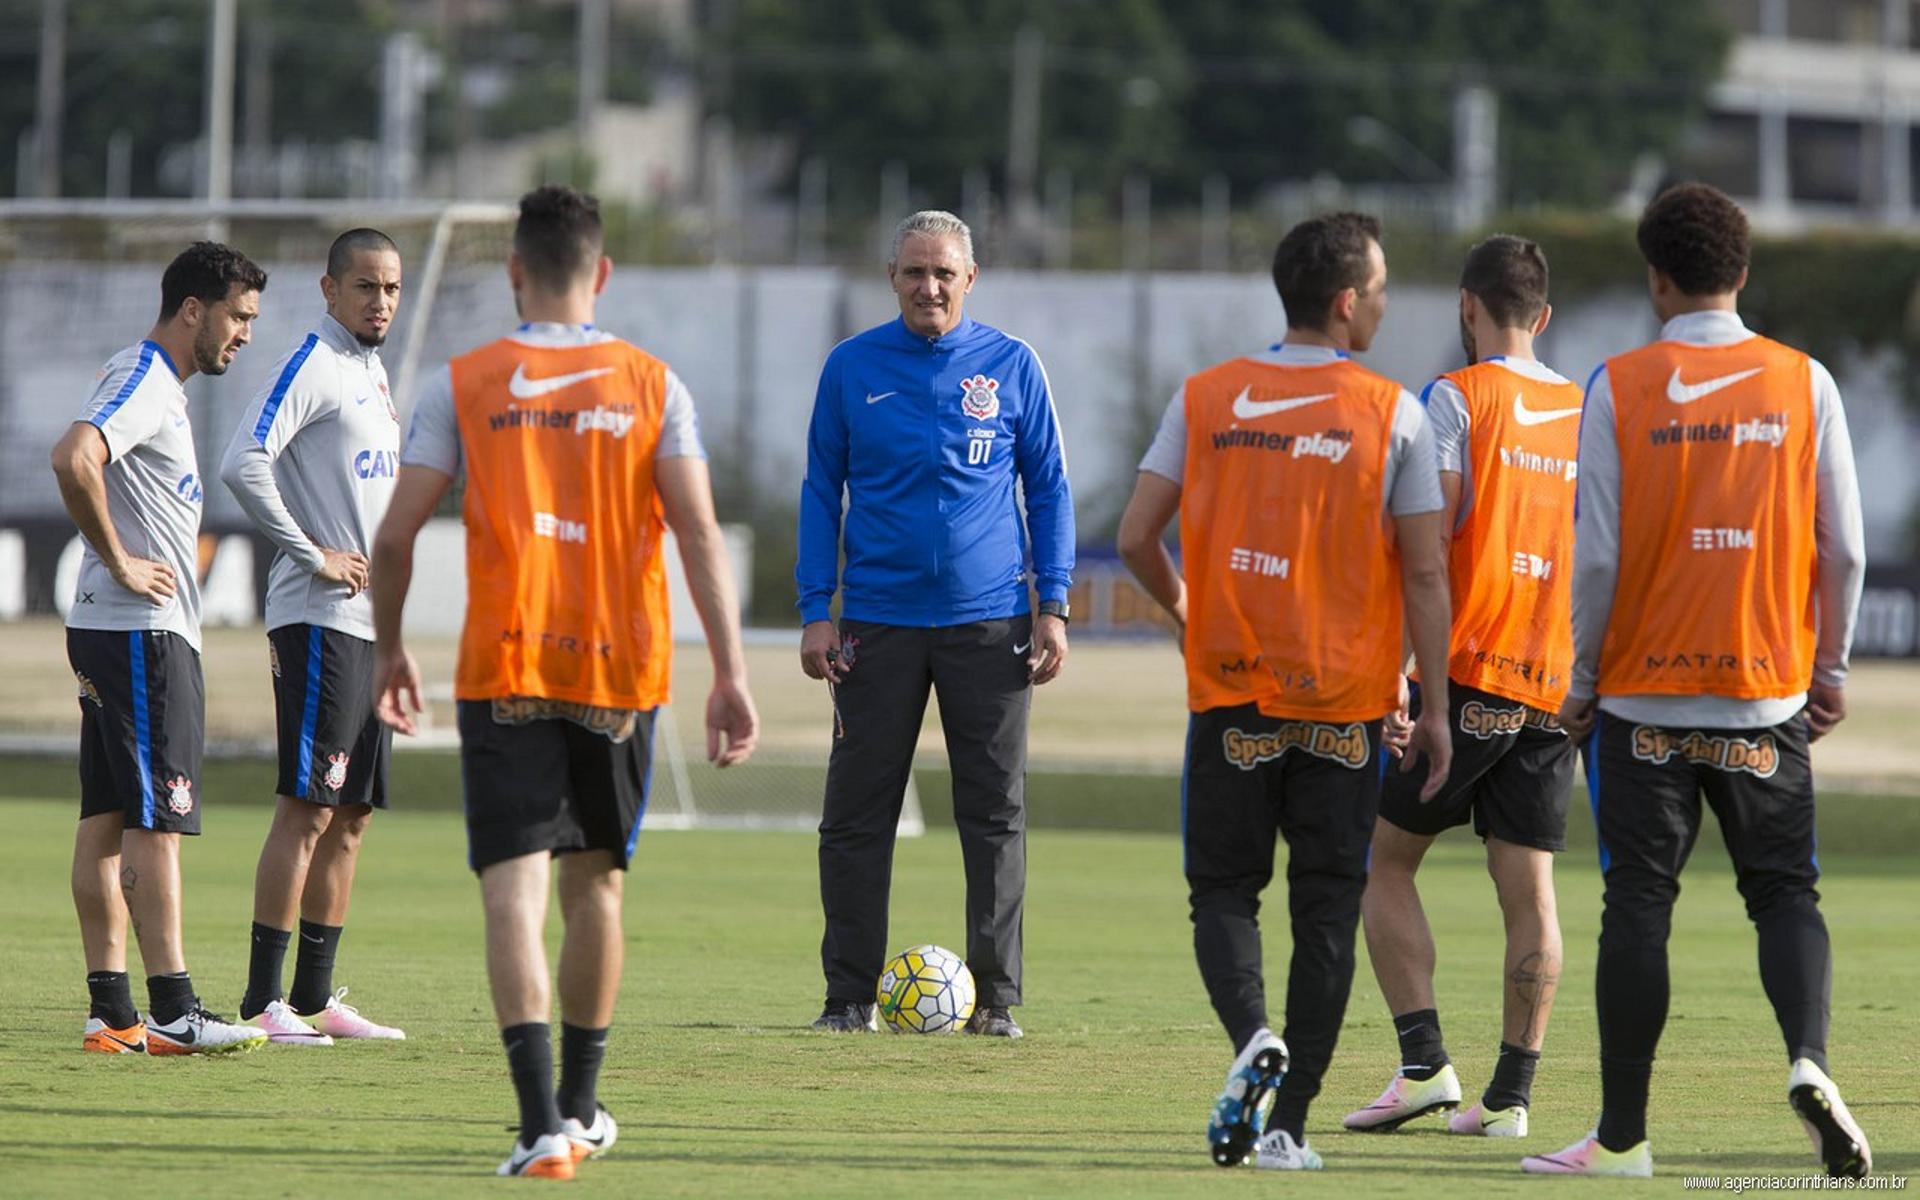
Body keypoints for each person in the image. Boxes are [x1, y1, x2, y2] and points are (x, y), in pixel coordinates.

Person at [371, 184, 759, 1180]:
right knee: (599, 889)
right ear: (604, 272)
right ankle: (581, 1107)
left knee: (513, 892)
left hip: (504, 664)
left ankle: (542, 1120)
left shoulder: (464, 381)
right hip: (620, 671)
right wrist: (728, 669)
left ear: (513, 272)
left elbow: (396, 534)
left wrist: (388, 649)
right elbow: (700, 532)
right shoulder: (651, 384)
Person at [1523, 183, 1870, 1179]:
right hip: (1767, 688)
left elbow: (1594, 557)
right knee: (1784, 893)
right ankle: (1808, 1059)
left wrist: (1583, 679)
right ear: (1744, 272)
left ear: (1656, 278)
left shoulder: (1619, 384)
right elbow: (1840, 548)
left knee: (1638, 901)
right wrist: (1828, 669)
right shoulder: (1804, 383)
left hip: (1642, 698)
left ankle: (1623, 1137)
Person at [1116, 211, 1453, 1171]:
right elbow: (1426, 575)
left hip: (1232, 695)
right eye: (1381, 290)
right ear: (1348, 302)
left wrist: (1192, 615)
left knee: (1223, 891)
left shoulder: (1207, 396)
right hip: (1347, 706)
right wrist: (1430, 707)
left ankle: (1251, 1040)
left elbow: (1137, 534)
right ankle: (1287, 1122)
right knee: (1324, 906)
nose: (1385, 304)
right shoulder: (1396, 413)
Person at [796, 210, 1074, 1039]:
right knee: (854, 815)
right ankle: (847, 998)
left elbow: (1050, 488)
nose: (929, 288)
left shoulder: (1013, 365)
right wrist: (817, 610)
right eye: (915, 273)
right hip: (874, 625)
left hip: (990, 626)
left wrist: (1051, 604)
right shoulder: (852, 367)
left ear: (971, 278)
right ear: (893, 278)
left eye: (944, 274)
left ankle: (996, 1000)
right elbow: (819, 491)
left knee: (994, 813)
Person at [1344, 235, 1580, 1138]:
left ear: (1466, 307)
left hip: (1470, 671)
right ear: (1544, 315)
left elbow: (1427, 545)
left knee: (1381, 860)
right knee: (1530, 890)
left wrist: (1408, 678)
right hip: (1550, 680)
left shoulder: (1457, 397)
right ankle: (1512, 1100)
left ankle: (1424, 1068)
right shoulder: (1578, 407)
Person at [51, 241, 270, 1056]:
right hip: (140, 636)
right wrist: (115, 558)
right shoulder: (145, 379)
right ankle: (175, 1010)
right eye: (238, 317)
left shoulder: (142, 378)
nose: (244, 334)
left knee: (105, 818)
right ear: (193, 310)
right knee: (156, 818)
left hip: (113, 632)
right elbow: (74, 457)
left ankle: (112, 1014)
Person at [218, 228, 408, 1045]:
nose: (381, 302)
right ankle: (262, 1000)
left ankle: (313, 997)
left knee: (352, 814)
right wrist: (311, 553)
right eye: (365, 286)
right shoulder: (313, 364)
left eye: (392, 288)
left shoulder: (373, 372)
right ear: (330, 291)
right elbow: (241, 460)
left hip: (369, 627)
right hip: (317, 619)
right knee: (306, 807)